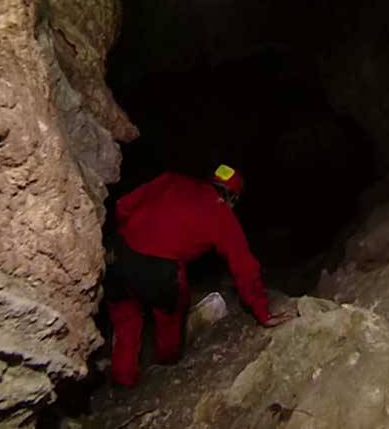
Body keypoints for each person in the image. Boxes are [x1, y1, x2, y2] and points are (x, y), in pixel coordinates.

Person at [104, 164, 294, 387]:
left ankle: (123, 381)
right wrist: (263, 313)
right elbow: (244, 266)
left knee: (126, 318)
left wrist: (134, 234)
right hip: (159, 271)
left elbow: (122, 205)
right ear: (232, 197)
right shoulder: (221, 214)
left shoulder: (171, 179)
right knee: (171, 316)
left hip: (119, 254)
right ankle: (165, 369)